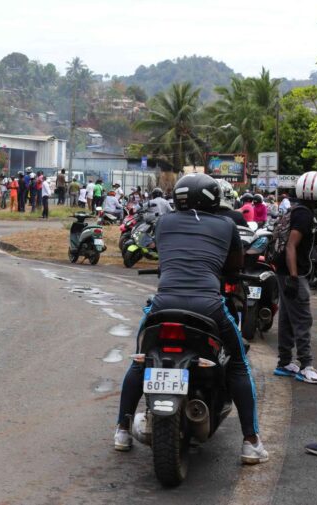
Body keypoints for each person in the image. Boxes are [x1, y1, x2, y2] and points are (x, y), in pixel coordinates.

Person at [113, 173, 268, 464]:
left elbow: (162, 253)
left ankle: (122, 429)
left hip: (163, 305)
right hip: (208, 306)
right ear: (214, 198)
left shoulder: (165, 222)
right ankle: (251, 441)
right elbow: (233, 266)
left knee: (140, 358)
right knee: (237, 362)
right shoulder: (226, 225)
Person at [273, 171, 317, 385]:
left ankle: (284, 362)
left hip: (283, 271)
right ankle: (305, 366)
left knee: (287, 317)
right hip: (292, 273)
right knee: (303, 318)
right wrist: (294, 278)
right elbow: (291, 246)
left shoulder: (298, 210)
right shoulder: (304, 215)